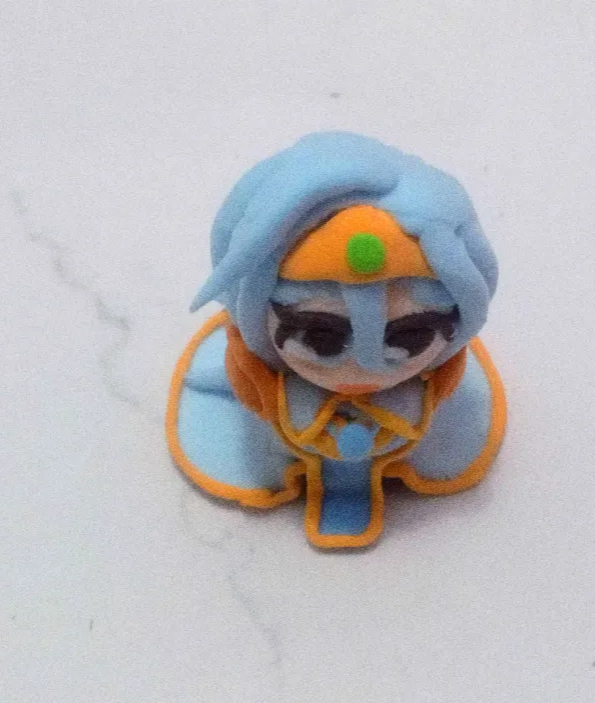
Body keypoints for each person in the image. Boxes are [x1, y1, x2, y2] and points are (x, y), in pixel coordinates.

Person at [166, 132, 506, 548]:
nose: (364, 368)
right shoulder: (260, 361)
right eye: (321, 337)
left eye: (410, 336)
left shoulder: (437, 375)